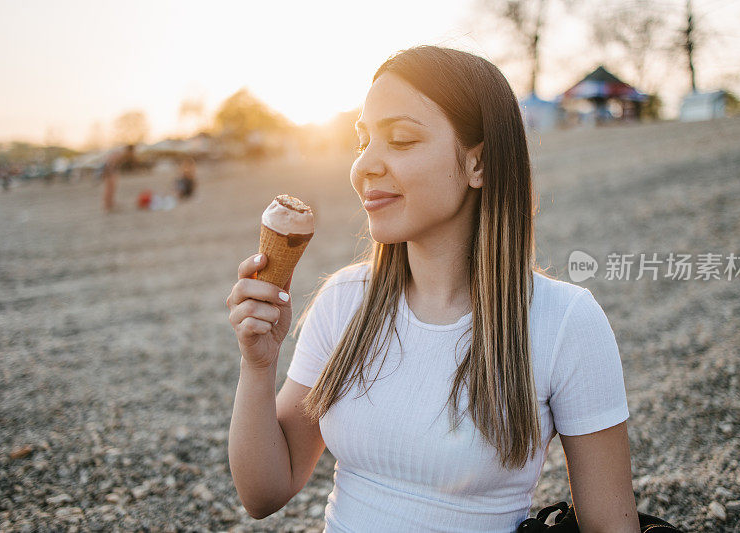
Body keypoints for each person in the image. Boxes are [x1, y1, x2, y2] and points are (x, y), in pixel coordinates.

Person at [225, 45, 639, 532]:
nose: (364, 167)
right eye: (363, 141)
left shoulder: (564, 320)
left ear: (478, 164)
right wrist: (258, 363)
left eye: (400, 139)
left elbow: (611, 526)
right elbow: (264, 493)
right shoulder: (343, 300)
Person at [101, 144, 135, 213]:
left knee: (111, 189)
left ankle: (110, 205)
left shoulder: (122, 153)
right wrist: (111, 172)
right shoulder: (120, 153)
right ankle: (107, 206)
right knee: (109, 189)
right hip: (109, 171)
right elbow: (110, 162)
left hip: (110, 171)